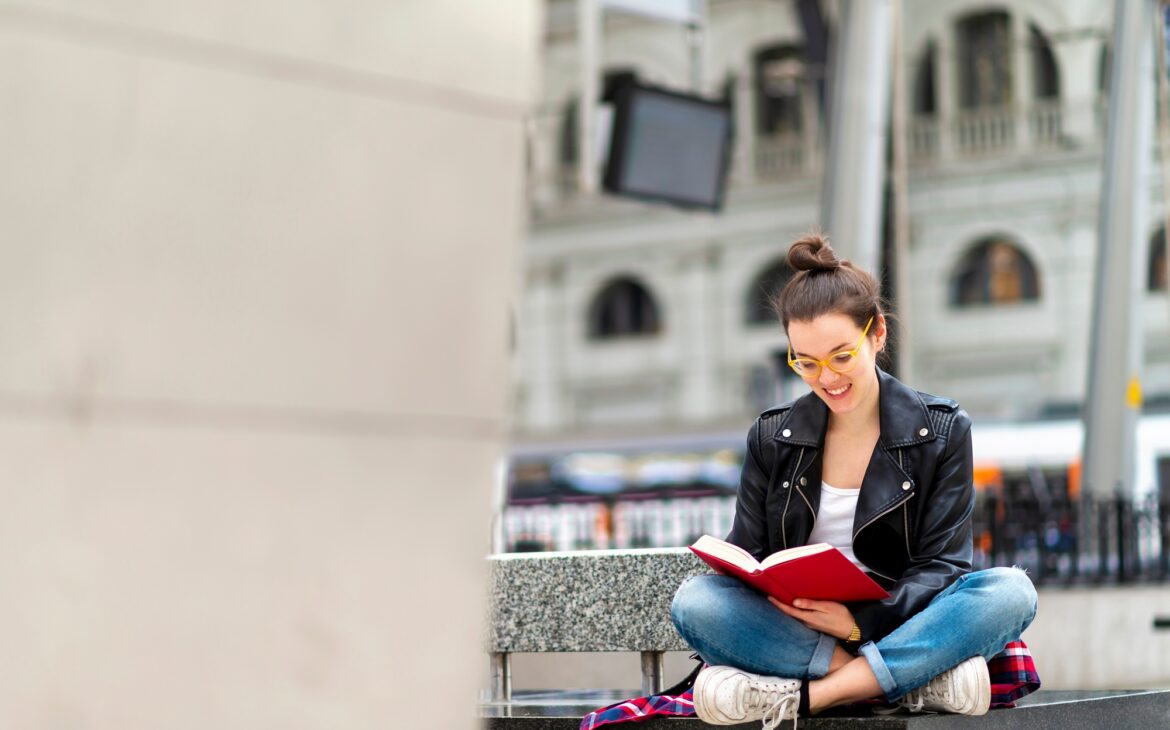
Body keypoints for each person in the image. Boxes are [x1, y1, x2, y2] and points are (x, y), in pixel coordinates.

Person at [670, 234, 1037, 729]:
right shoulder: (772, 436)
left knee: (1011, 592)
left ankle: (813, 696)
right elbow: (749, 556)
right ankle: (906, 684)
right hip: (802, 628)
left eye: (842, 356)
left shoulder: (943, 429)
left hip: (900, 619)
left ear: (878, 334)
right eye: (806, 362)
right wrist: (763, 583)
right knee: (696, 603)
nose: (827, 377)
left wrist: (859, 623)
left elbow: (943, 565)